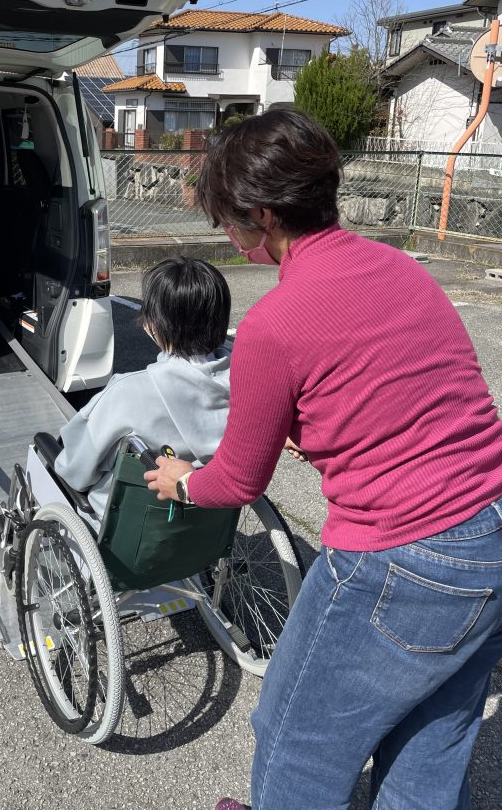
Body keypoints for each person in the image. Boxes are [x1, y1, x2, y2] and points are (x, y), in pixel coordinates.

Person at [144, 110, 502, 810]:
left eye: (230, 222)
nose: (228, 235)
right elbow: (409, 393)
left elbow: (239, 479)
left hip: (400, 555)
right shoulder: (399, 268)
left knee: (296, 739)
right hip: (491, 528)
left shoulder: (274, 324)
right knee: (432, 738)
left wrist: (183, 483)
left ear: (265, 216)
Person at [54, 257, 232, 519]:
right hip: (209, 512)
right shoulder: (249, 379)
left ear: (157, 325)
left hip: (129, 521)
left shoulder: (129, 391)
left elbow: (75, 469)